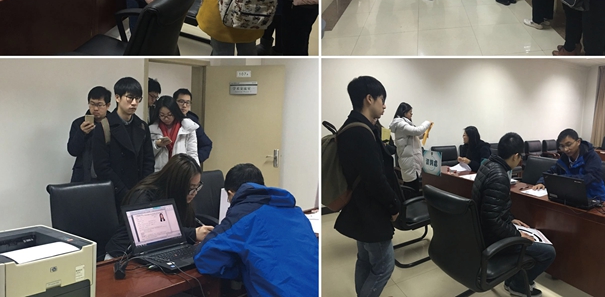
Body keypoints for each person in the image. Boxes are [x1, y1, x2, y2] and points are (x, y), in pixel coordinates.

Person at [195, 163, 318, 296]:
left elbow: (204, 258)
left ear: (230, 193)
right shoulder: (295, 211)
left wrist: (244, 269)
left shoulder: (241, 215)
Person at [334, 76, 401, 297]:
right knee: (384, 266)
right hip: (372, 210)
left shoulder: (353, 127)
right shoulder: (360, 132)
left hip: (360, 207)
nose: (385, 106)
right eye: (382, 99)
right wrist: (393, 206)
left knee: (364, 259)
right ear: (369, 98)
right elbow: (376, 178)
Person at [472, 132, 556, 297]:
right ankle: (517, 286)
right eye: (520, 157)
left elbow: (492, 208)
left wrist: (511, 219)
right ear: (516, 156)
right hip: (492, 238)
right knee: (548, 252)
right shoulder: (499, 176)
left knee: (530, 234)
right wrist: (517, 235)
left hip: (481, 232)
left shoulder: (487, 164)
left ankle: (513, 280)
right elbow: (491, 220)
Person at [105, 154, 214, 257]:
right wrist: (193, 234)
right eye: (190, 188)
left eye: (197, 187)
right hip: (121, 256)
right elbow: (151, 235)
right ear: (177, 184)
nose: (194, 193)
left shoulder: (179, 197)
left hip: (157, 253)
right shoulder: (143, 196)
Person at [92, 77, 155, 207]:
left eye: (138, 99)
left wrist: (143, 188)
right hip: (114, 194)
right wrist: (123, 192)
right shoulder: (104, 126)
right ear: (117, 97)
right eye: (130, 98)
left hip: (139, 192)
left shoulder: (142, 126)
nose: (134, 103)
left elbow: (148, 160)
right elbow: (102, 167)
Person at [531, 129, 605, 202]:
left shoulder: (591, 156)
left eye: (569, 144)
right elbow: (550, 172)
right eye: (562, 146)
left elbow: (589, 178)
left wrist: (563, 179)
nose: (566, 149)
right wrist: (541, 182)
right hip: (572, 197)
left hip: (595, 198)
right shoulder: (565, 157)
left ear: (578, 142)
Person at [67, 86, 111, 183]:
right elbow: (72, 151)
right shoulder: (78, 123)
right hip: (82, 176)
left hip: (108, 176)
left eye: (99, 105)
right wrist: (81, 133)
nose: (95, 108)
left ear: (107, 105)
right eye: (92, 104)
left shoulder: (114, 124)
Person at [388, 102, 432, 195]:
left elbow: (412, 136)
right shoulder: (400, 124)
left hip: (410, 160)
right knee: (411, 187)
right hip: (409, 161)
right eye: (410, 112)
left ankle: (411, 201)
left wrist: (423, 136)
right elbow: (417, 131)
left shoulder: (404, 124)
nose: (412, 114)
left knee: (412, 185)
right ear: (404, 113)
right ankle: (411, 203)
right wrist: (427, 123)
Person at [149, 96, 200, 172]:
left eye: (169, 115)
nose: (166, 118)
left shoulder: (188, 127)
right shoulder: (151, 129)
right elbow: (148, 155)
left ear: (175, 112)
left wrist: (195, 172)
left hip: (181, 171)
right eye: (162, 115)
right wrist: (157, 144)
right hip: (160, 172)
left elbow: (192, 153)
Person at [173, 88, 213, 164]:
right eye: (181, 101)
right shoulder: (167, 119)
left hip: (186, 165)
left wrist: (193, 161)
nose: (184, 105)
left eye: (188, 102)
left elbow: (206, 144)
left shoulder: (193, 122)